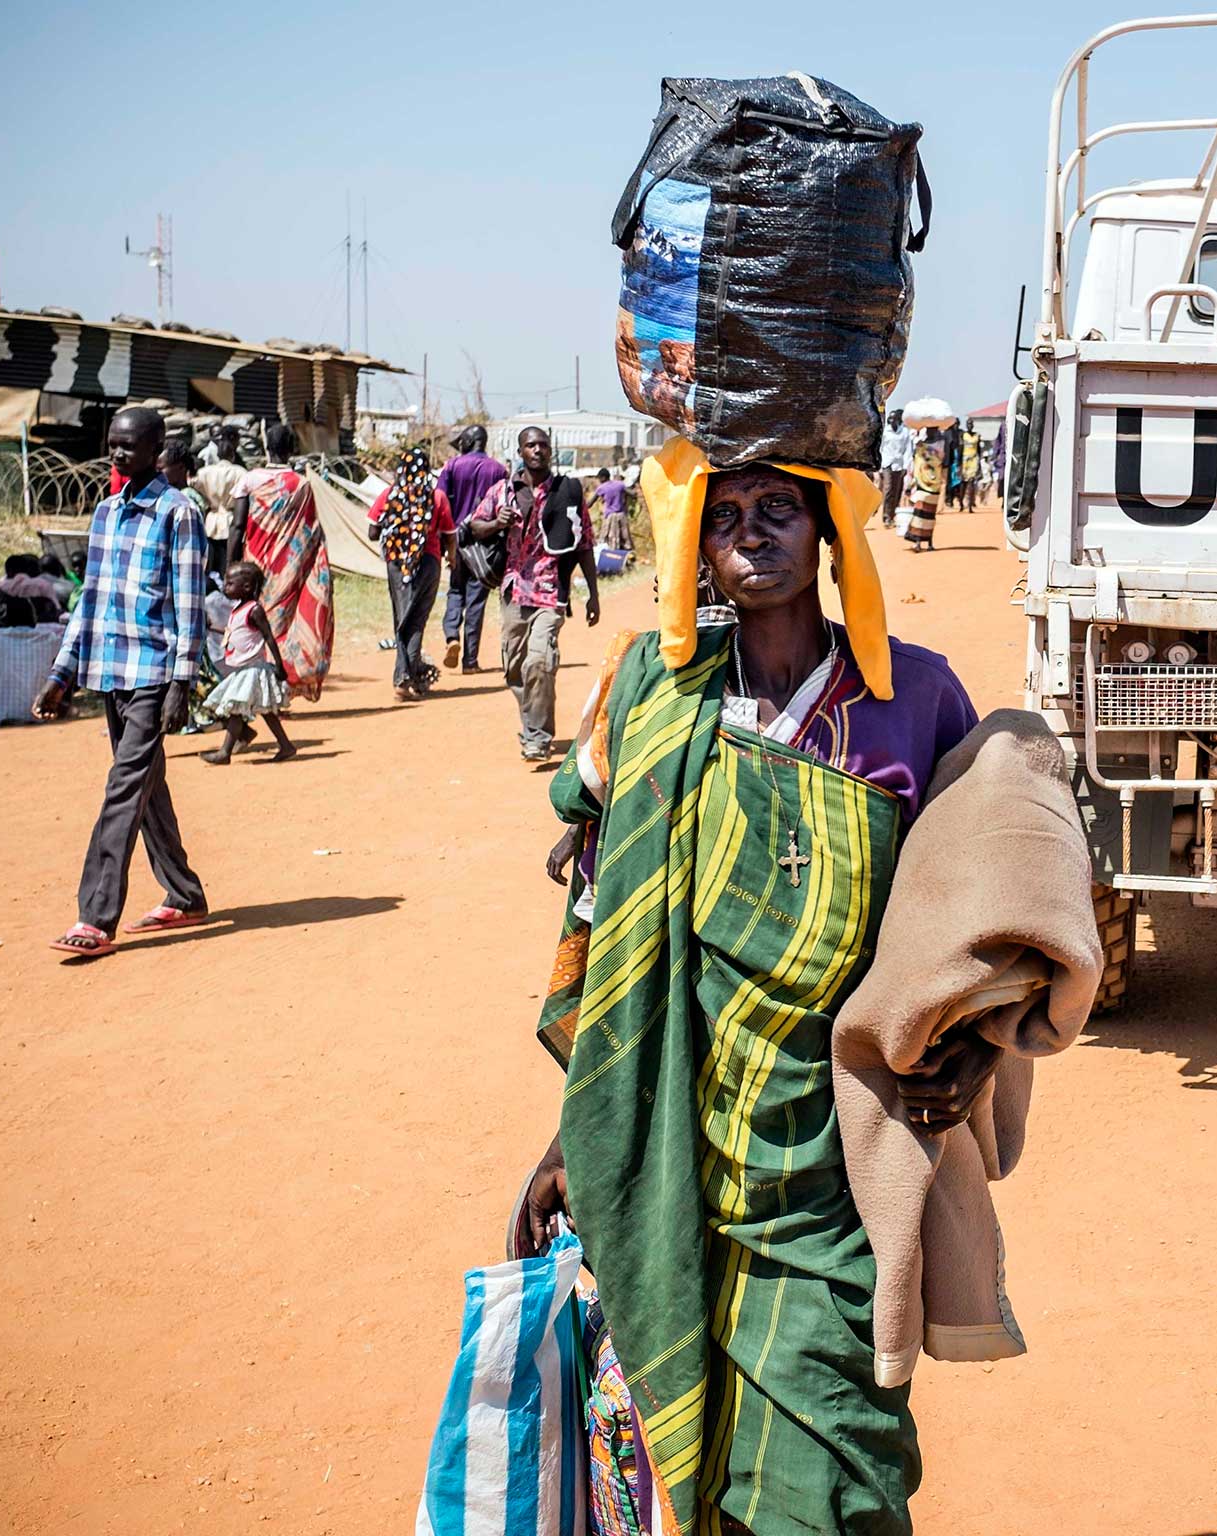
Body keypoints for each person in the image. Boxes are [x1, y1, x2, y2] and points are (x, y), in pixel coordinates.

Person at [516, 436, 983, 1535]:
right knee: (686, 1477)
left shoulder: (912, 699)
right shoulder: (657, 695)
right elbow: (606, 919)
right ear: (695, 548)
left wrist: (973, 1039)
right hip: (670, 1145)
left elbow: (982, 911)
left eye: (779, 508)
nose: (752, 535)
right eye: (723, 517)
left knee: (828, 1478)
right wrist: (573, 1139)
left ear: (827, 532)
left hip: (831, 1173)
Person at [33, 406, 211, 959]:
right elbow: (90, 600)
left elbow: (189, 603)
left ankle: (95, 915)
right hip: (112, 672)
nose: (116, 454)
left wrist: (183, 680)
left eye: (128, 446)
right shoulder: (107, 513)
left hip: (155, 674)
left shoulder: (178, 513)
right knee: (146, 786)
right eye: (112, 444)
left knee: (123, 787)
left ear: (156, 449)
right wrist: (62, 673)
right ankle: (184, 894)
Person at [465, 425, 599, 761]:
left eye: (543, 445)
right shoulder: (503, 491)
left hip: (551, 592)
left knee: (540, 661)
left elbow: (584, 544)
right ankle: (532, 722)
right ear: (521, 451)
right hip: (513, 591)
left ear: (550, 450)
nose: (537, 450)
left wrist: (594, 594)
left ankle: (537, 736)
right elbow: (474, 526)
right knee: (515, 668)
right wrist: (497, 523)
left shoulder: (567, 491)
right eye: (530, 445)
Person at [232, 422, 334, 700]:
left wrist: (230, 566)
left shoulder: (249, 479)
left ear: (267, 447)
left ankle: (263, 692)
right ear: (292, 449)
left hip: (253, 569)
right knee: (280, 627)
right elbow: (312, 534)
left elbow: (238, 526)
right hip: (289, 569)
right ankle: (280, 687)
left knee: (254, 628)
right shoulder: (301, 485)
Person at [367, 444, 457, 701]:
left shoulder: (388, 494)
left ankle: (407, 675)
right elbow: (450, 536)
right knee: (415, 621)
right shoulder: (437, 497)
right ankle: (406, 676)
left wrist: (395, 527)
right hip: (428, 562)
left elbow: (372, 532)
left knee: (402, 618)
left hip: (397, 564)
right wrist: (453, 560)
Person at [196, 561, 296, 763]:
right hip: (242, 670)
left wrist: (279, 666)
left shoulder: (254, 610)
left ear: (247, 587)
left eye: (230, 583)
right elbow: (233, 635)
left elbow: (269, 638)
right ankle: (285, 745)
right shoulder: (237, 610)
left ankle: (225, 752)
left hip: (254, 670)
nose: (225, 586)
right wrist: (212, 628)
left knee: (241, 709)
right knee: (252, 710)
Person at [439, 424, 510, 672]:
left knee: (455, 591)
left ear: (469, 441)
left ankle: (451, 636)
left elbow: (440, 503)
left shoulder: (452, 466)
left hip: (455, 539)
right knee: (476, 599)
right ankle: (470, 661)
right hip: (485, 543)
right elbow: (505, 507)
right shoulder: (499, 470)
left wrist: (442, 543)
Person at [0, 594, 64, 726]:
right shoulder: (48, 638)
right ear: (33, 617)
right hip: (41, 714)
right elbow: (70, 650)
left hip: (1, 716)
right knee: (65, 660)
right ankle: (61, 705)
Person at [191, 423, 247, 577]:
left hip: (210, 522)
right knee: (225, 567)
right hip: (229, 521)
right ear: (233, 455)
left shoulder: (204, 473)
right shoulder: (240, 473)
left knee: (209, 565)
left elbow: (193, 486)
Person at [903, 427, 947, 551]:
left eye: (932, 429)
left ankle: (929, 542)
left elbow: (942, 462)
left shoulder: (940, 444)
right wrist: (911, 485)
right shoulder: (921, 445)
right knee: (919, 512)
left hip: (934, 484)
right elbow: (916, 465)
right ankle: (917, 541)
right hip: (921, 484)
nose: (930, 431)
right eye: (928, 429)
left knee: (930, 515)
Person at [877, 410, 912, 527]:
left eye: (894, 418)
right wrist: (880, 466)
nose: (891, 421)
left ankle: (893, 516)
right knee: (888, 490)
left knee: (897, 491)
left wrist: (906, 466)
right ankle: (886, 516)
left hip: (899, 465)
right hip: (887, 464)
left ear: (898, 419)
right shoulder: (885, 432)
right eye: (890, 419)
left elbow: (908, 450)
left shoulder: (905, 432)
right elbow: (880, 449)